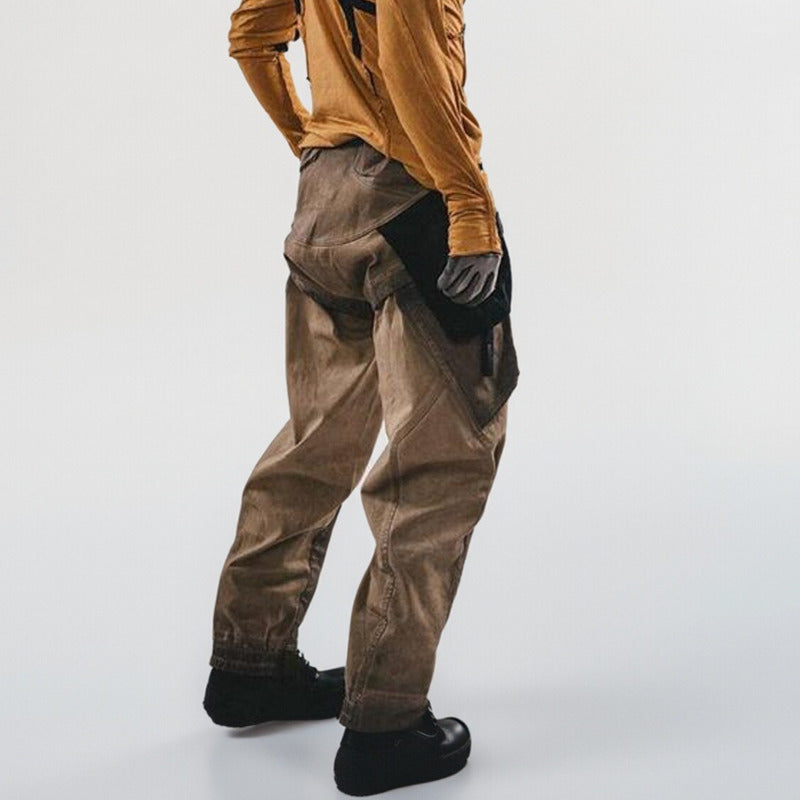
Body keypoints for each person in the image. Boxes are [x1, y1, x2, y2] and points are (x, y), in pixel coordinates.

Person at [203, 0, 520, 794]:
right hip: (414, 204)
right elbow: (412, 64)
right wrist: (468, 205)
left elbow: (252, 37)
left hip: (323, 202)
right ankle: (386, 726)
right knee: (442, 465)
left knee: (316, 444)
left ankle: (250, 667)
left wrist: (313, 141)